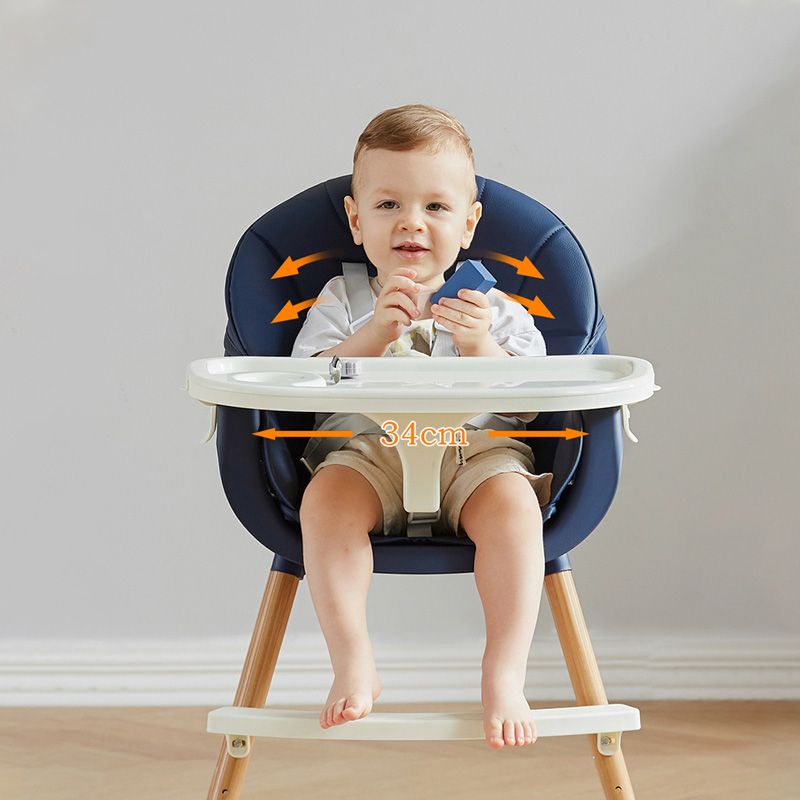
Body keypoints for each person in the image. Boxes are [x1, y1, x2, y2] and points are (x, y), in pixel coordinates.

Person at [291, 104, 553, 749]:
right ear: (356, 220)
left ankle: (504, 671)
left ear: (469, 223)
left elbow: (533, 401)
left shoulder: (496, 309)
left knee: (517, 509)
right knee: (324, 502)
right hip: (369, 454)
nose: (412, 222)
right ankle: (353, 658)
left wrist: (481, 349)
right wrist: (373, 334)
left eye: (436, 207)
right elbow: (303, 390)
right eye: (388, 205)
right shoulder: (341, 300)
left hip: (474, 456)